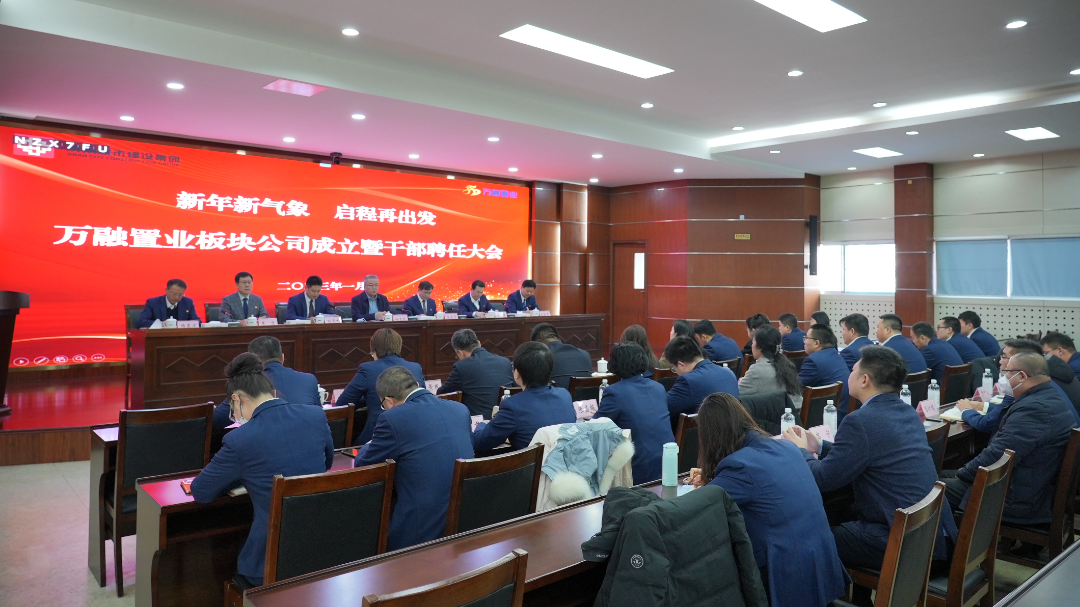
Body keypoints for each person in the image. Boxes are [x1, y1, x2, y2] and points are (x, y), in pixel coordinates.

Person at [783, 346, 957, 575]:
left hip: (909, 546)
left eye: (852, 370)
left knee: (811, 539)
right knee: (842, 513)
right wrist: (820, 446)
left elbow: (823, 479)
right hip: (937, 538)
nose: (849, 375)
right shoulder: (907, 412)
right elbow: (868, 453)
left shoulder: (860, 421)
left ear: (864, 379)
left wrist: (800, 451)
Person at [689, 393, 848, 607]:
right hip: (820, 562)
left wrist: (712, 480)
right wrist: (714, 477)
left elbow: (702, 506)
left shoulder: (739, 466)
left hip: (787, 574)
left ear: (711, 436)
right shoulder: (787, 447)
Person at [191, 353, 334, 588]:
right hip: (322, 550)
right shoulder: (316, 415)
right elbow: (326, 464)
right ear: (272, 392)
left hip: (268, 563)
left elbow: (201, 491)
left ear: (237, 399)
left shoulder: (240, 439)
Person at [941, 353, 1076, 529]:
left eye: (1006, 372)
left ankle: (951, 544)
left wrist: (963, 473)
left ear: (1022, 376)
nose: (1002, 377)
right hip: (1031, 485)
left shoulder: (1034, 409)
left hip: (1016, 498)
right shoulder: (1049, 396)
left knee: (931, 489)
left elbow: (998, 455)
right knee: (940, 475)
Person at [353, 366, 473, 550]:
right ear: (416, 384)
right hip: (467, 520)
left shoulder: (392, 418)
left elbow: (364, 464)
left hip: (419, 531)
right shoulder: (460, 409)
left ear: (389, 401)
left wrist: (369, 444)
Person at [955, 340, 1080, 435]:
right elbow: (1007, 409)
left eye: (1004, 357)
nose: (1000, 361)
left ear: (1020, 360)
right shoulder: (1042, 382)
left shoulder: (1031, 395)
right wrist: (983, 406)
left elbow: (987, 424)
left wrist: (967, 411)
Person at [472, 341, 576, 452]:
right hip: (568, 460)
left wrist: (482, 424)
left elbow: (479, 443)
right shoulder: (564, 395)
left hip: (535, 463)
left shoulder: (513, 406)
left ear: (516, 373)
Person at [595, 342, 674, 483]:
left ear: (614, 363)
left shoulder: (614, 392)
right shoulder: (658, 387)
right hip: (669, 463)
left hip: (638, 469)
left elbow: (596, 427)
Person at [212, 335, 321, 430]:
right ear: (282, 358)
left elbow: (215, 421)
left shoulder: (246, 384)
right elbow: (320, 417)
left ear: (251, 362)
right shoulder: (309, 379)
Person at [338, 328, 425, 444]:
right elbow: (421, 399)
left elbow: (342, 403)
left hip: (377, 437)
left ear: (373, 350)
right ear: (399, 347)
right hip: (414, 435)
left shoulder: (367, 369)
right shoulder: (415, 368)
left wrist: (369, 398)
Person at [437, 328, 515, 419]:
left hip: (479, 422)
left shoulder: (462, 367)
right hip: (506, 418)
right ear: (479, 343)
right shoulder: (505, 362)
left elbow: (442, 394)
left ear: (460, 353)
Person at [664, 336, 739, 420]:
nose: (676, 372)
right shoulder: (729, 373)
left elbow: (661, 408)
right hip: (735, 426)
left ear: (681, 365)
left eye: (674, 368)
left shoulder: (688, 381)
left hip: (706, 427)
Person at [738, 325, 803, 409]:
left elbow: (736, 393)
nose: (752, 346)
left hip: (778, 416)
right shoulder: (788, 365)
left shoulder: (757, 370)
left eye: (753, 342)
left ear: (760, 347)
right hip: (795, 414)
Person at [798, 324, 851, 417]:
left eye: (806, 338)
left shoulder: (813, 361)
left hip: (825, 415)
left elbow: (795, 386)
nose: (804, 341)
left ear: (816, 343)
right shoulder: (836, 354)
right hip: (842, 411)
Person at [531, 323, 592, 389]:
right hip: (587, 395)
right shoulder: (585, 354)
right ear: (558, 338)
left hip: (556, 395)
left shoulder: (540, 357)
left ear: (537, 344)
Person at [137, 278, 201, 328]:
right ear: (166, 290)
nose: (176, 297)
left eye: (180, 295)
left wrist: (181, 324)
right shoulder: (153, 303)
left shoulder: (187, 302)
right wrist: (161, 324)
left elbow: (197, 321)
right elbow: (141, 322)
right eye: (174, 294)